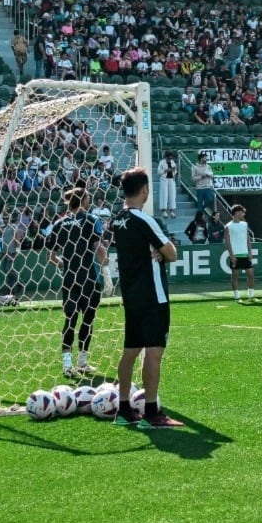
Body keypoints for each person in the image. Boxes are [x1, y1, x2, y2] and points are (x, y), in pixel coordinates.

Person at [112, 169, 181, 427]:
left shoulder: (117, 219)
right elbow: (172, 253)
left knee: (130, 351)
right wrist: (163, 252)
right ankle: (152, 412)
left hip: (132, 296)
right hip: (153, 296)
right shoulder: (144, 219)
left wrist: (157, 252)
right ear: (144, 190)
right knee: (154, 353)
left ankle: (123, 409)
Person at [39, 185, 110, 379]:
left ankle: (67, 364)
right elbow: (98, 248)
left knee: (70, 320)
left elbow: (50, 256)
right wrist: (107, 269)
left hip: (70, 279)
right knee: (88, 320)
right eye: (87, 197)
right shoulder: (92, 220)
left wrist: (62, 263)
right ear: (84, 200)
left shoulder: (59, 224)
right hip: (89, 278)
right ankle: (82, 362)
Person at [225, 204, 259, 304]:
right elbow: (227, 241)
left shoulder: (245, 224)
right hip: (235, 255)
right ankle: (237, 296)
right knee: (235, 276)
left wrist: (250, 252)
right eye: (242, 212)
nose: (243, 214)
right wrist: (231, 255)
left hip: (245, 254)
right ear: (236, 213)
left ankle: (251, 295)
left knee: (251, 274)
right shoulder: (228, 226)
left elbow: (248, 239)